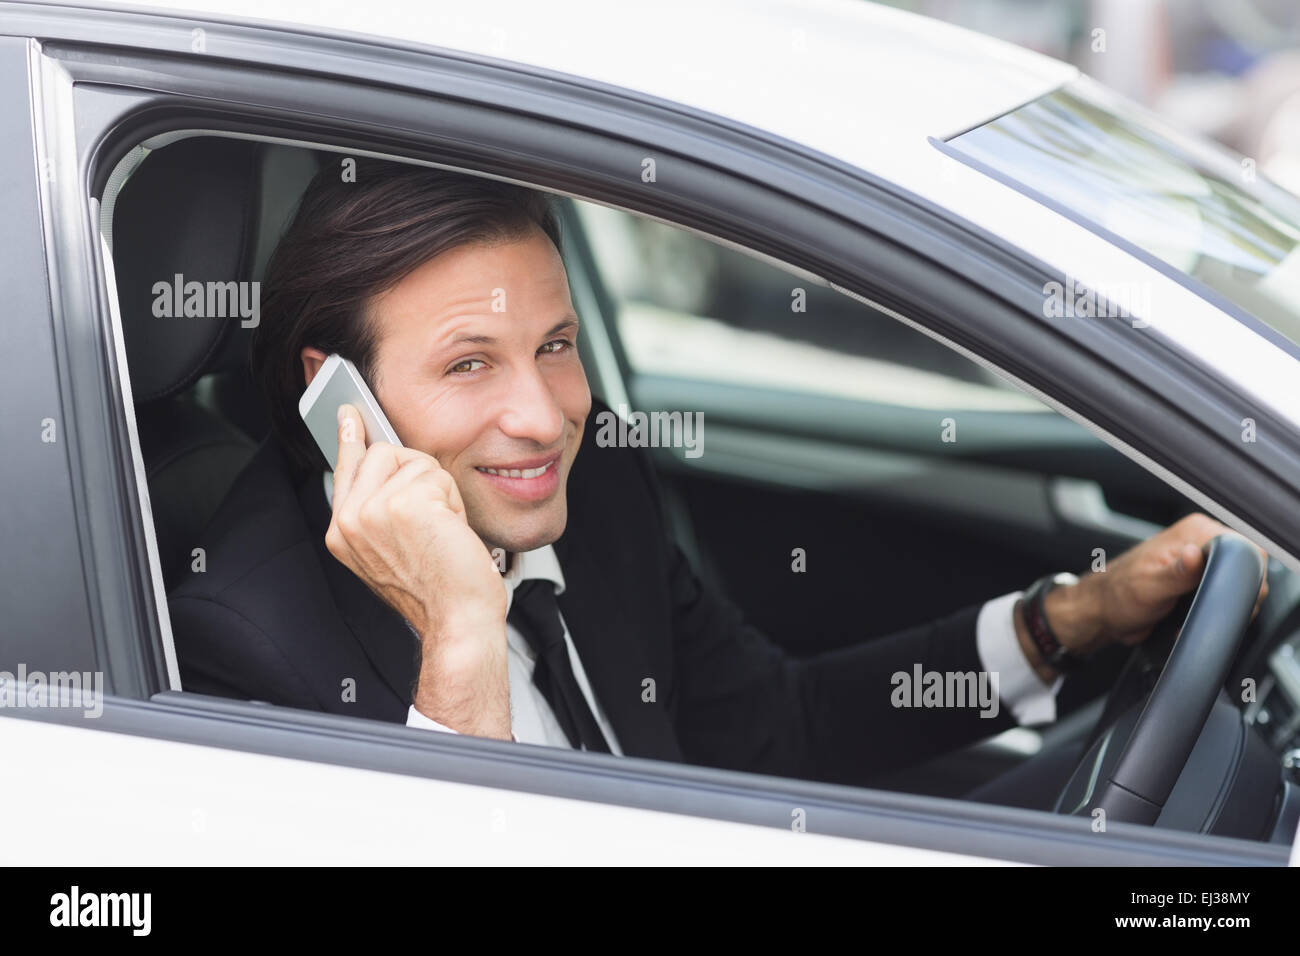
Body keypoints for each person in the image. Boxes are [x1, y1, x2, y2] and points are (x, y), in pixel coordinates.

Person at [167, 157, 1267, 791]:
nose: (546, 414)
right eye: (468, 364)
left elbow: (778, 727)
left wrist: (1075, 614)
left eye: (557, 343)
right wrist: (459, 638)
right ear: (337, 393)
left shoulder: (580, 495)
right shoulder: (241, 644)